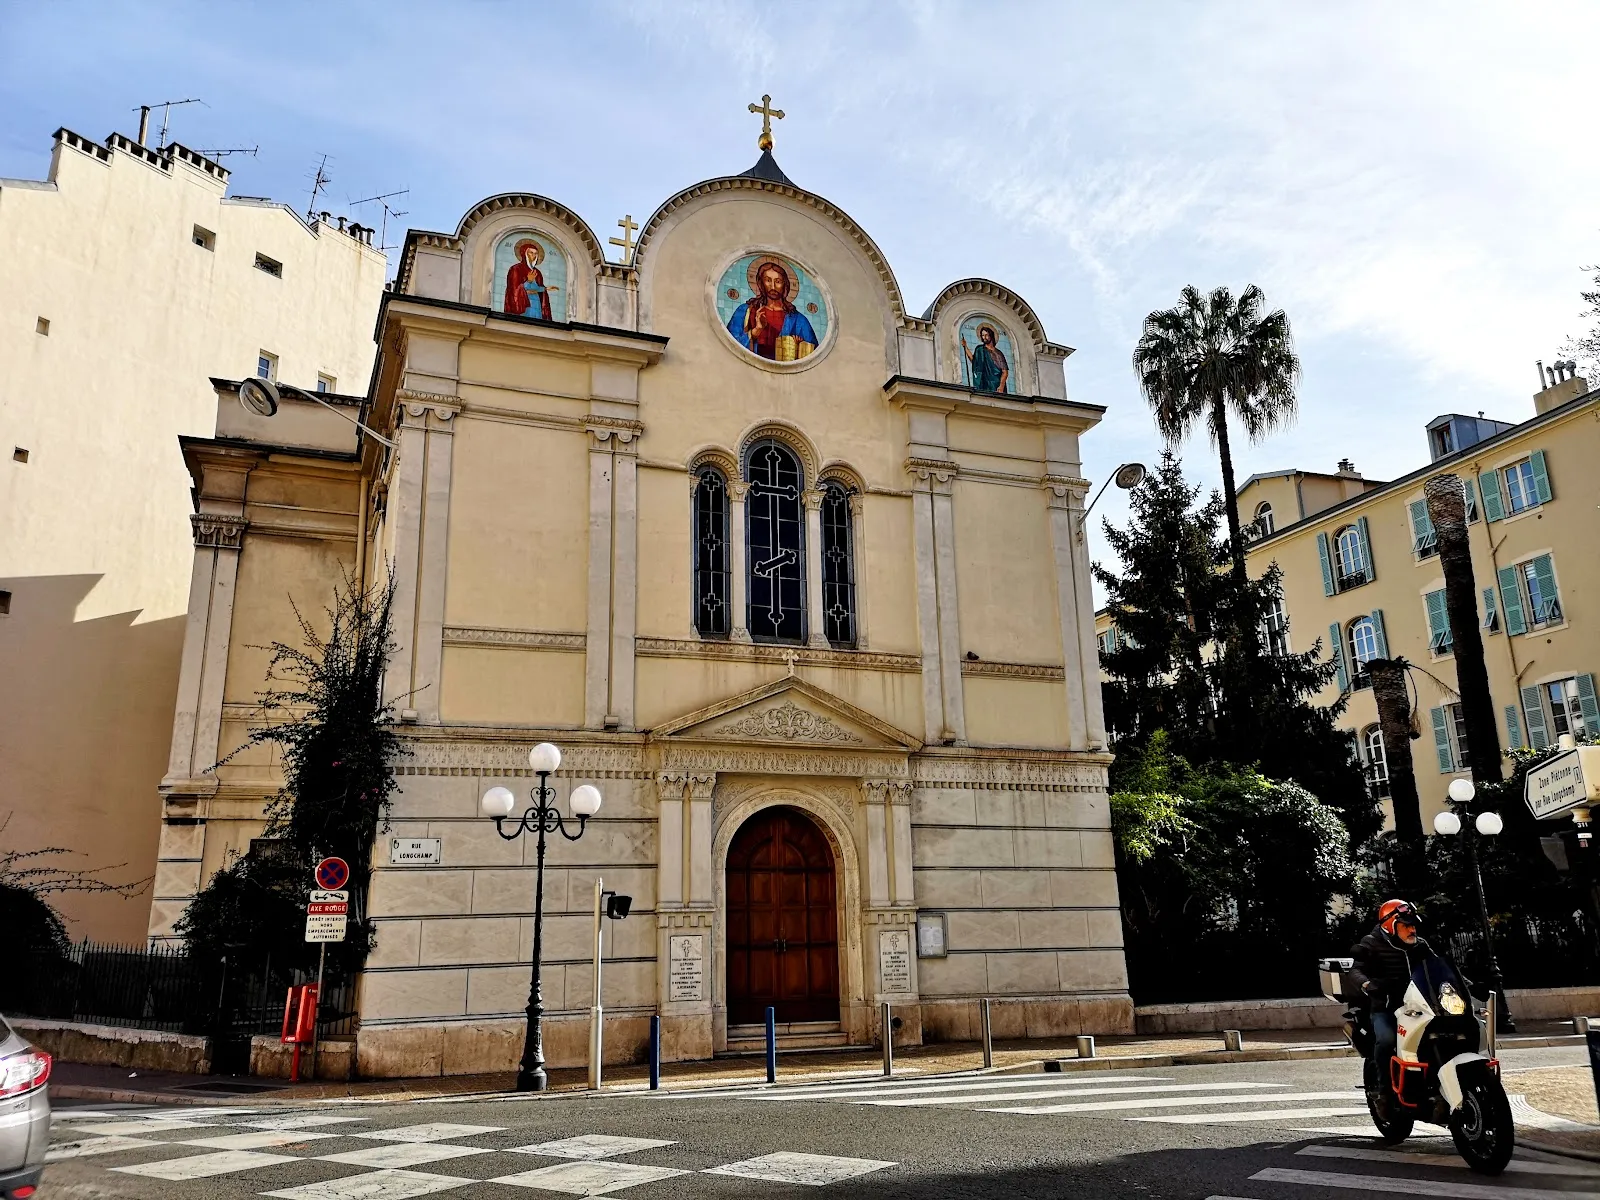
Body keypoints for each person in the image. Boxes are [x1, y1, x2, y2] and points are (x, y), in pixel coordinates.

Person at [1348, 899, 1432, 1081]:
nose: (1412, 930)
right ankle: (1384, 1088)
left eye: (1413, 925)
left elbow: (1437, 966)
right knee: (1387, 1039)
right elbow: (1355, 970)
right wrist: (1368, 985)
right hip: (1385, 1006)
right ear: (1390, 925)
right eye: (1406, 926)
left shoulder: (1420, 945)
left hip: (1418, 1006)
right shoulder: (1371, 943)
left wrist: (1469, 985)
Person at [727, 260, 818, 360]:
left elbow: (813, 354)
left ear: (785, 285)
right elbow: (730, 344)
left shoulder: (798, 319)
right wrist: (756, 331)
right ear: (761, 283)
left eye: (778, 281)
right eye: (768, 280)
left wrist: (798, 346)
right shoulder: (745, 311)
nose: (773, 286)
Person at [504, 239, 559, 320]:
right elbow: (514, 291)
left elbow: (537, 289)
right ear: (524, 254)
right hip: (524, 305)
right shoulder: (516, 269)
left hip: (536, 303)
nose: (534, 255)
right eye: (531, 253)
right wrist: (529, 281)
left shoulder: (537, 272)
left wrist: (546, 289)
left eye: (536, 253)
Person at [961, 323, 1010, 393]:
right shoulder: (980, 349)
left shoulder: (998, 353)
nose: (984, 337)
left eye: (986, 335)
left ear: (991, 335)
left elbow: (1005, 372)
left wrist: (1001, 386)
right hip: (984, 384)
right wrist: (965, 347)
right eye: (983, 335)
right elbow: (974, 361)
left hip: (996, 385)